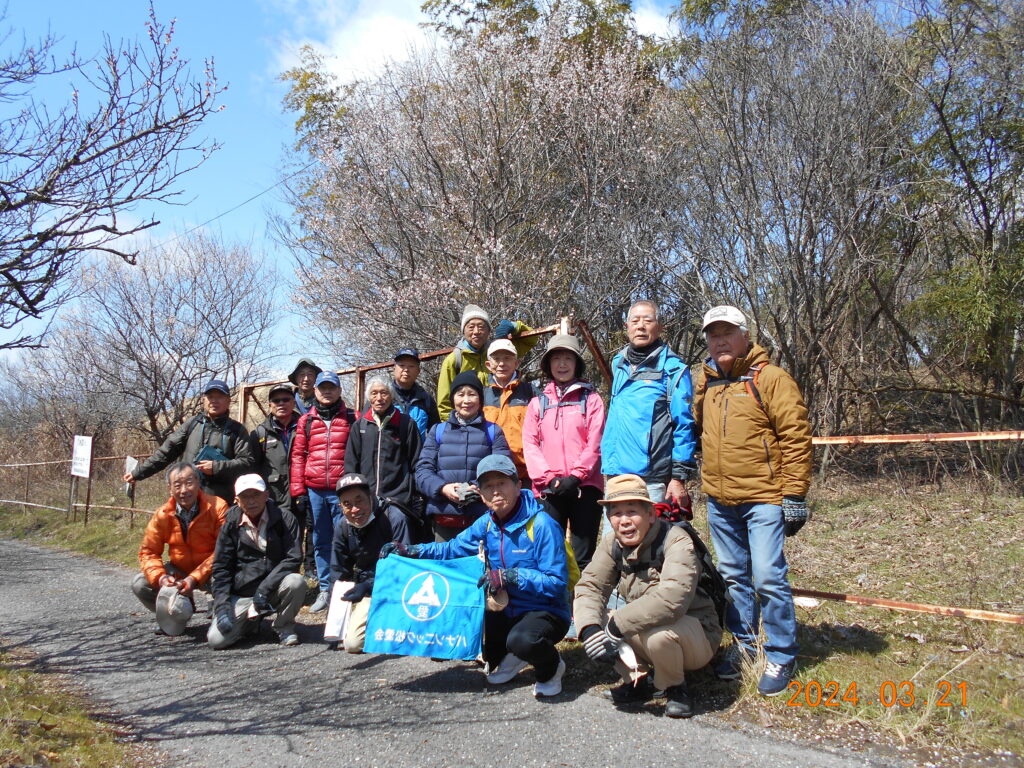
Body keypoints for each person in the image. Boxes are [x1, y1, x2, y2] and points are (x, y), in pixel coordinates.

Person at [693, 305, 812, 696]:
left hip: (764, 497)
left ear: (746, 336)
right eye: (713, 335)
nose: (720, 341)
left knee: (768, 576)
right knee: (732, 577)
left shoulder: (771, 378)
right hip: (719, 499)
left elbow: (795, 436)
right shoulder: (707, 382)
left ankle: (781, 653)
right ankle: (744, 645)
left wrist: (794, 493)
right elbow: (697, 431)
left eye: (728, 333)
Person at [382, 454, 570, 697]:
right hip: (505, 608)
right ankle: (513, 655)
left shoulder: (542, 524)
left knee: (523, 641)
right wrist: (411, 550)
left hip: (546, 610)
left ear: (517, 485)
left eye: (502, 483)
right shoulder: (487, 524)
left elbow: (556, 583)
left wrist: (511, 576)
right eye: (488, 486)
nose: (496, 491)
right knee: (477, 640)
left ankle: (551, 669)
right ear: (480, 493)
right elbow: (451, 549)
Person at [573, 475, 723, 718]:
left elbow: (672, 600)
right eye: (616, 514)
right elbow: (590, 586)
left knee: (657, 636)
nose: (624, 521)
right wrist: (590, 631)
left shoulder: (675, 539)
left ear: (651, 514)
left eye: (632, 512)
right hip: (646, 627)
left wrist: (616, 626)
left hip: (697, 634)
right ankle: (638, 682)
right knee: (594, 618)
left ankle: (675, 689)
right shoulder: (612, 543)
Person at [522, 333, 605, 572]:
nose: (562, 364)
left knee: (582, 556)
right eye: (556, 358)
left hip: (585, 487)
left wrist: (577, 476)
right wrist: (549, 478)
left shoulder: (592, 399)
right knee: (550, 554)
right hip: (549, 489)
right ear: (548, 364)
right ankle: (555, 596)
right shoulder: (537, 403)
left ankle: (582, 596)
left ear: (577, 363)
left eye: (568, 358)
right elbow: (530, 444)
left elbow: (596, 441)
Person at [600, 301, 696, 506]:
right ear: (627, 327)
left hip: (652, 479)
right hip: (616, 474)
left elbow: (684, 424)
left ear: (660, 327)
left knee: (650, 528)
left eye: (648, 321)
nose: (640, 326)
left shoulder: (674, 369)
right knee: (613, 528)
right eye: (635, 321)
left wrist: (678, 477)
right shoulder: (618, 363)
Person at [207, 474, 306, 648]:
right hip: (242, 594)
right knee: (216, 640)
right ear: (237, 500)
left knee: (296, 582)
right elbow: (221, 567)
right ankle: (250, 623)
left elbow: (294, 558)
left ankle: (284, 626)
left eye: (256, 495)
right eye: (245, 496)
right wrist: (221, 606)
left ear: (266, 495)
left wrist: (264, 590)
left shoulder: (285, 518)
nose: (251, 501)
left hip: (273, 589)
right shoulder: (230, 524)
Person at [132, 462, 229, 635]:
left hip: (211, 571)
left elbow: (223, 550)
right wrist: (161, 578)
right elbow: (148, 551)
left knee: (228, 575)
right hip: (179, 571)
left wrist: (194, 578)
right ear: (170, 489)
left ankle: (221, 609)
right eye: (177, 485)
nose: (184, 490)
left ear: (198, 483)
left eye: (189, 483)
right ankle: (178, 612)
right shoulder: (162, 515)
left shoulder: (217, 506)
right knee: (140, 584)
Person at [415, 370, 512, 542]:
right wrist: (443, 488)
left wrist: (475, 488)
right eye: (460, 394)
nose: (466, 400)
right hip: (444, 519)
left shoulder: (493, 431)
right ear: (453, 399)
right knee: (445, 559)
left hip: (483, 519)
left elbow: (502, 468)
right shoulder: (438, 431)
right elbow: (422, 471)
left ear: (480, 399)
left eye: (472, 394)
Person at [125, 379, 254, 504]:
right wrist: (138, 473)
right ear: (204, 400)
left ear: (228, 401)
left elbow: (247, 463)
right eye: (210, 397)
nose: (214, 401)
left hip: (218, 503)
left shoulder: (237, 430)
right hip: (187, 499)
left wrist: (216, 467)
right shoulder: (193, 423)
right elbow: (166, 452)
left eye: (219, 397)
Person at [290, 370, 355, 613]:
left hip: (342, 490)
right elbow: (298, 456)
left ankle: (343, 586)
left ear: (339, 390)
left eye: (331, 387)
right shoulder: (306, 421)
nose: (327, 392)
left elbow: (358, 452)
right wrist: (299, 491)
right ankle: (326, 588)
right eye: (323, 387)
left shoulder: (352, 418)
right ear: (315, 391)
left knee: (344, 538)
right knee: (320, 539)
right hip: (314, 489)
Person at [329, 473, 414, 653]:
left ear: (370, 497)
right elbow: (338, 572)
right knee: (352, 644)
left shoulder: (394, 517)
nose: (354, 509)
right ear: (340, 507)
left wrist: (368, 586)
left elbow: (403, 568)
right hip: (368, 590)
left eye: (359, 500)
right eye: (347, 504)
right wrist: (335, 623)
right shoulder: (342, 526)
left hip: (399, 589)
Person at [345, 376, 425, 538]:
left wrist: (416, 496)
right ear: (369, 397)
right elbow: (351, 465)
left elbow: (417, 463)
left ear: (391, 395)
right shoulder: (360, 426)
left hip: (398, 501)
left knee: (400, 547)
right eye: (374, 393)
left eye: (384, 393)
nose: (379, 398)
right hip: (367, 501)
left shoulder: (406, 424)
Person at [251, 382, 316, 578]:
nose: (281, 404)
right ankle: (277, 576)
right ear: (270, 405)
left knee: (306, 533)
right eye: (276, 400)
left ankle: (306, 573)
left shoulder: (307, 425)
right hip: (275, 496)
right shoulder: (260, 433)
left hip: (303, 492)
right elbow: (253, 467)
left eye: (286, 399)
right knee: (277, 537)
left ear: (293, 402)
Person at [435, 304, 537, 421]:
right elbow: (444, 404)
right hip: (469, 423)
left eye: (481, 327)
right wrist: (454, 426)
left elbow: (532, 339)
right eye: (471, 327)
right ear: (464, 331)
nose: (476, 331)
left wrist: (514, 326)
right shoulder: (455, 360)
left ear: (488, 331)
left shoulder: (498, 353)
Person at [482, 339, 538, 485]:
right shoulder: (481, 395)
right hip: (491, 472)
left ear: (516, 363)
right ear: (488, 365)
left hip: (527, 473)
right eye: (496, 359)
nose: (502, 363)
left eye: (507, 358)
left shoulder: (531, 392)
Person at [390, 347, 440, 439]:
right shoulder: (383, 397)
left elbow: (435, 434)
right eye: (402, 365)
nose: (406, 369)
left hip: (418, 448)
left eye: (411, 366)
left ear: (418, 371)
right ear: (394, 368)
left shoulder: (426, 399)